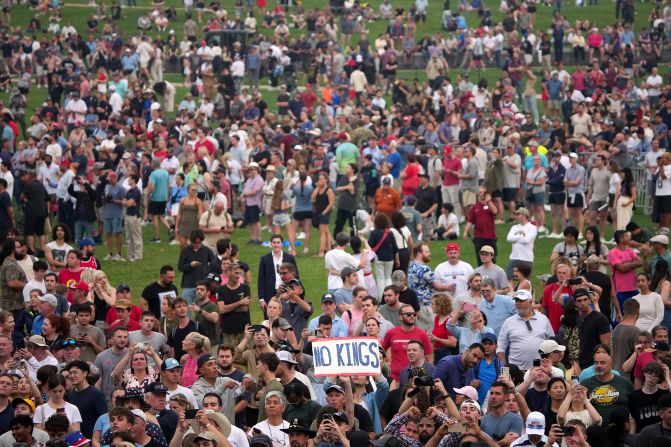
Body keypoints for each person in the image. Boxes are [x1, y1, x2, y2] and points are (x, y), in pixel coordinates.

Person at [497, 289, 555, 371]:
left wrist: (550, 365)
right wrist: (505, 370)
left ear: (530, 303)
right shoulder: (508, 322)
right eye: (516, 300)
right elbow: (500, 347)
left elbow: (552, 343)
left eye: (521, 300)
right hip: (516, 370)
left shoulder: (543, 319)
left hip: (539, 369)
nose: (517, 303)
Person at [581, 347, 634, 425]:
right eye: (596, 363)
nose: (598, 366)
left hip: (620, 432)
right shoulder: (585, 384)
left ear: (611, 366)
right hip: (596, 431)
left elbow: (633, 408)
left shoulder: (624, 383)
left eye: (602, 363)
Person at [381, 304, 433, 381]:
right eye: (408, 314)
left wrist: (426, 377)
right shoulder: (391, 332)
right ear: (400, 317)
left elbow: (430, 358)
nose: (412, 316)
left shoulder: (422, 334)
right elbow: (381, 351)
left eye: (414, 314)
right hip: (395, 379)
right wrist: (384, 364)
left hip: (416, 379)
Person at [65, 360, 108, 438]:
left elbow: (104, 419)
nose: (72, 376)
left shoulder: (96, 394)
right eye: (70, 373)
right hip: (74, 439)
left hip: (92, 440)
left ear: (85, 373)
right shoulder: (70, 394)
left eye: (75, 372)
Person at [257, 234, 298, 310]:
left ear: (282, 244)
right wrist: (261, 299)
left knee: (286, 318)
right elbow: (261, 280)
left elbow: (296, 277)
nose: (276, 245)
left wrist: (294, 292)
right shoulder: (264, 259)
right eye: (274, 242)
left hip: (286, 292)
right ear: (271, 244)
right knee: (269, 318)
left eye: (278, 242)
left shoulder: (289, 258)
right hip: (269, 294)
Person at [218, 263, 252, 347]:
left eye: (239, 273)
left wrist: (227, 308)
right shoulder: (221, 290)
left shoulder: (245, 288)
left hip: (244, 331)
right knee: (228, 357)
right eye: (236, 273)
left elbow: (244, 308)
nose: (238, 276)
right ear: (229, 273)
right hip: (228, 331)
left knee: (245, 356)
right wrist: (240, 302)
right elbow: (221, 310)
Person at [609, 230, 643, 312]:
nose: (629, 238)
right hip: (620, 290)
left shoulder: (630, 250)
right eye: (627, 236)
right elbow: (621, 268)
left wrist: (626, 265)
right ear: (620, 239)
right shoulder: (612, 253)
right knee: (621, 313)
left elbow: (640, 262)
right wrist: (632, 264)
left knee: (636, 312)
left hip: (634, 288)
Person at [463, 186, 498, 263]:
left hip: (490, 236)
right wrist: (466, 231)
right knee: (480, 259)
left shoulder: (491, 204)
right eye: (480, 192)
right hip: (479, 237)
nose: (482, 194)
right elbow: (470, 221)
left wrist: (488, 201)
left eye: (483, 192)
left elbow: (495, 211)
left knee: (492, 258)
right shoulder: (475, 207)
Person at [506, 208, 537, 279]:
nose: (516, 216)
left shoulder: (532, 228)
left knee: (526, 280)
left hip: (526, 258)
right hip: (514, 257)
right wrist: (520, 237)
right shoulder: (514, 227)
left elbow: (527, 240)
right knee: (508, 279)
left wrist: (515, 238)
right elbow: (509, 238)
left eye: (518, 214)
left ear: (524, 215)